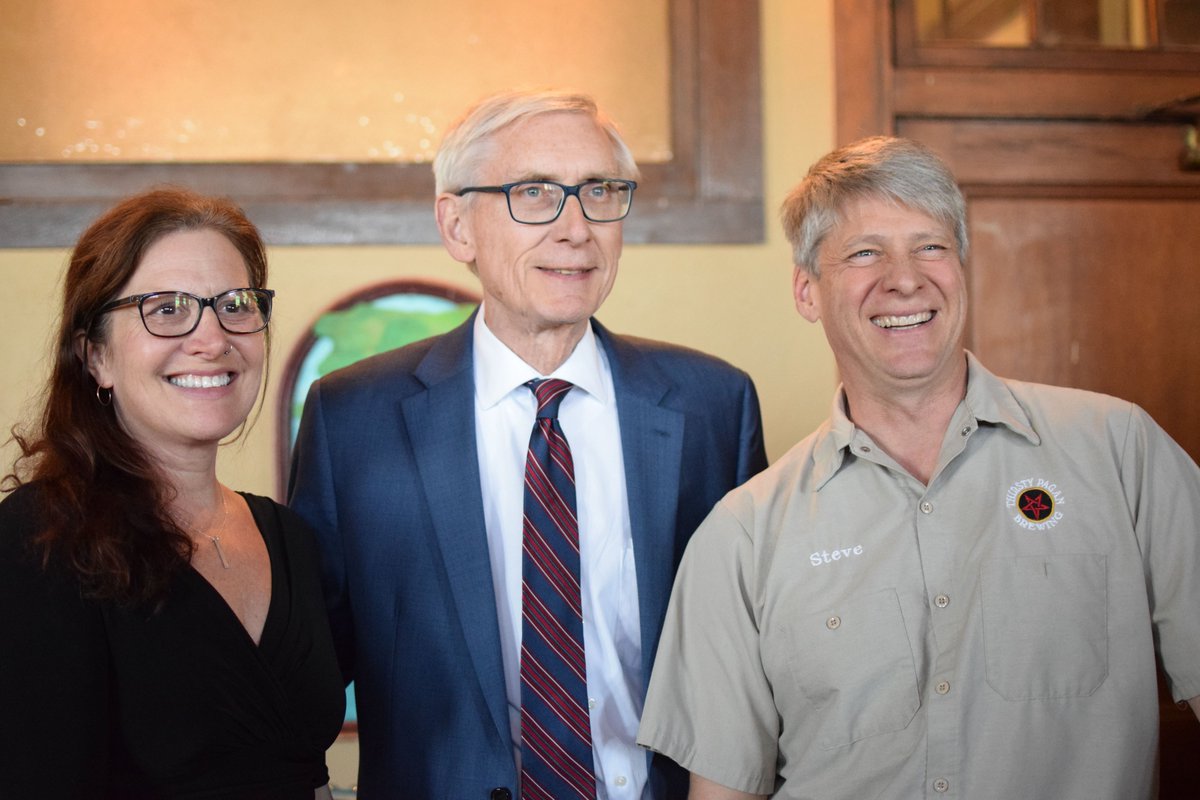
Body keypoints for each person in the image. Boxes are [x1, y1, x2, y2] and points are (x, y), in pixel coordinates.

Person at [637, 136, 1200, 800]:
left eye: (930, 246)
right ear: (807, 291)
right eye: (865, 252)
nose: (905, 279)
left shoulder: (1119, 450)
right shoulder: (742, 536)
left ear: (961, 268)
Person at [287, 88, 767, 799]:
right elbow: (304, 681)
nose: (576, 228)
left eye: (600, 192)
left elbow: (752, 666)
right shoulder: (354, 418)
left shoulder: (712, 406)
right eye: (534, 193)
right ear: (457, 226)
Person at [0, 187, 345, 800]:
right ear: (95, 357)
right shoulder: (38, 540)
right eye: (165, 309)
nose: (211, 339)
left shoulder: (288, 538)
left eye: (235, 304)